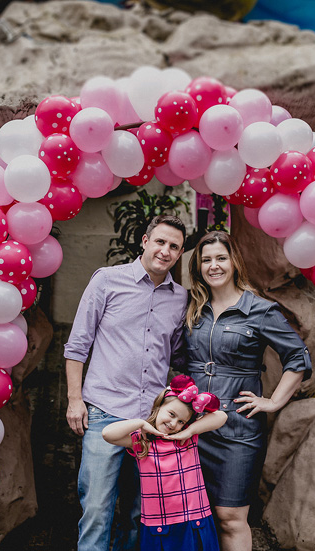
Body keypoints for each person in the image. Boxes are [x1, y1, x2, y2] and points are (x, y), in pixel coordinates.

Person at [181, 231, 312, 551]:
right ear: (198, 266)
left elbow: (298, 357)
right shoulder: (192, 307)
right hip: (191, 424)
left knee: (230, 516)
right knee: (192, 514)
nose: (213, 266)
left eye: (220, 258)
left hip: (237, 427)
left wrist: (274, 401)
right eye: (206, 260)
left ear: (234, 262)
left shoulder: (260, 310)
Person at [65, 214, 189, 551]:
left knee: (139, 512)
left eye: (174, 247)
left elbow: (175, 356)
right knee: (96, 508)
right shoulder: (107, 280)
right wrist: (75, 400)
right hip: (105, 412)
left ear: (179, 254)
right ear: (145, 241)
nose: (165, 250)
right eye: (160, 241)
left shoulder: (180, 299)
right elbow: (77, 345)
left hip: (152, 421)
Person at [102, 375, 228, 551]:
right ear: (158, 406)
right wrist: (140, 423)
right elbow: (107, 434)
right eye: (171, 414)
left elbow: (221, 416)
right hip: (159, 523)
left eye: (181, 421)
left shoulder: (187, 439)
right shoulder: (141, 440)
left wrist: (189, 430)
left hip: (194, 518)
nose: (173, 423)